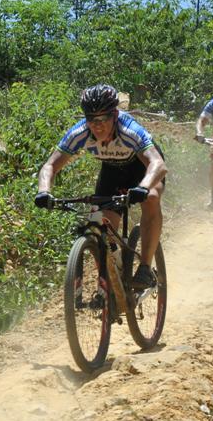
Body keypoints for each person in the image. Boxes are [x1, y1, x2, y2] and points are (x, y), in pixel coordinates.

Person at [34, 84, 167, 290]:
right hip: (112, 172)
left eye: (104, 118)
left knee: (151, 197)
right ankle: (113, 275)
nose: (97, 126)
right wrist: (44, 191)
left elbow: (157, 164)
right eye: (91, 119)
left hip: (142, 168)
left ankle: (145, 268)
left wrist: (143, 187)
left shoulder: (129, 130)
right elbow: (50, 165)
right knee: (101, 224)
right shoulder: (79, 132)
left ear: (115, 115)